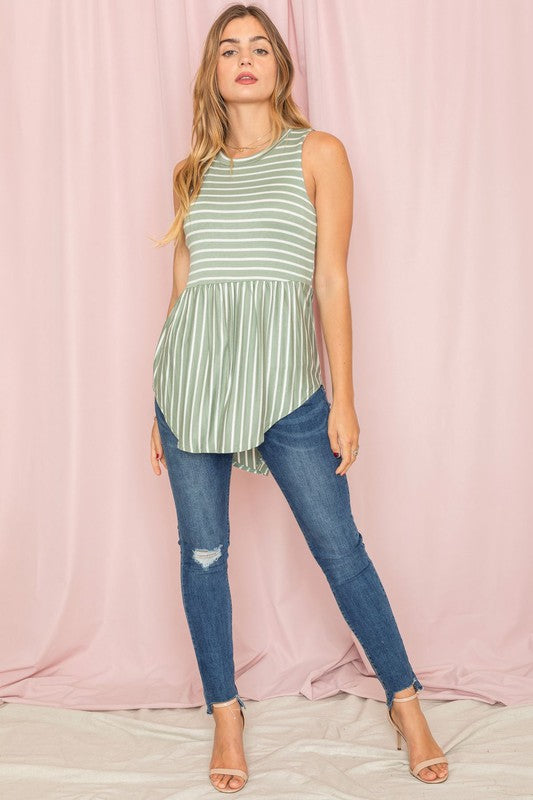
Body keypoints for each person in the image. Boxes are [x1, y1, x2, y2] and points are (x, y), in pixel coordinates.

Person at [149, 3, 449, 793]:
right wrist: (157, 403)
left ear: (280, 66)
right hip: (190, 388)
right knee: (204, 554)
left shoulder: (317, 152)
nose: (243, 60)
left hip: (289, 391)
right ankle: (226, 712)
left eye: (258, 47)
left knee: (340, 551)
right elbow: (183, 289)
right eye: (227, 50)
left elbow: (330, 279)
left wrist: (343, 401)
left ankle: (405, 700)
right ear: (212, 71)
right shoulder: (194, 170)